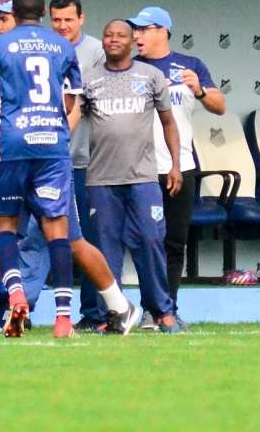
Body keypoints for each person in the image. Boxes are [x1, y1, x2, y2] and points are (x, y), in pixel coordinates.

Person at [0, 0, 140, 338]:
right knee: (65, 236)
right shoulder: (63, 48)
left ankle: (17, 292)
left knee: (6, 228)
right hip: (53, 150)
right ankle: (68, 317)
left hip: (12, 148)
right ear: (44, 15)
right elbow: (70, 105)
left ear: (15, 15)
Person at [77, 20, 183, 333]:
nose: (112, 40)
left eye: (120, 35)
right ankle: (113, 314)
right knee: (106, 249)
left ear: (131, 40)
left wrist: (175, 164)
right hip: (101, 179)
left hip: (143, 178)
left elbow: (168, 123)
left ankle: (162, 312)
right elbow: (73, 119)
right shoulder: (89, 79)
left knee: (150, 242)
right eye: (108, 35)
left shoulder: (151, 76)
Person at [131, 6, 226, 328]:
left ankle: (167, 309)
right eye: (136, 30)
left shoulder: (190, 65)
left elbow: (219, 105)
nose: (136, 36)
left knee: (174, 242)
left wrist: (199, 89)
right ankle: (147, 307)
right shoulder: (130, 67)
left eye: (143, 29)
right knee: (146, 241)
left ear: (163, 31)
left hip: (180, 165)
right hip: (139, 168)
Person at [49, 0, 108, 331]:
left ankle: (93, 312)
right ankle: (21, 307)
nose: (62, 26)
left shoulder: (97, 51)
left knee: (86, 237)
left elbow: (84, 104)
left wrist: (59, 138)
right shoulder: (44, 46)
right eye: (56, 19)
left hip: (85, 161)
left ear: (81, 19)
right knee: (40, 237)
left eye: (68, 19)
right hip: (47, 161)